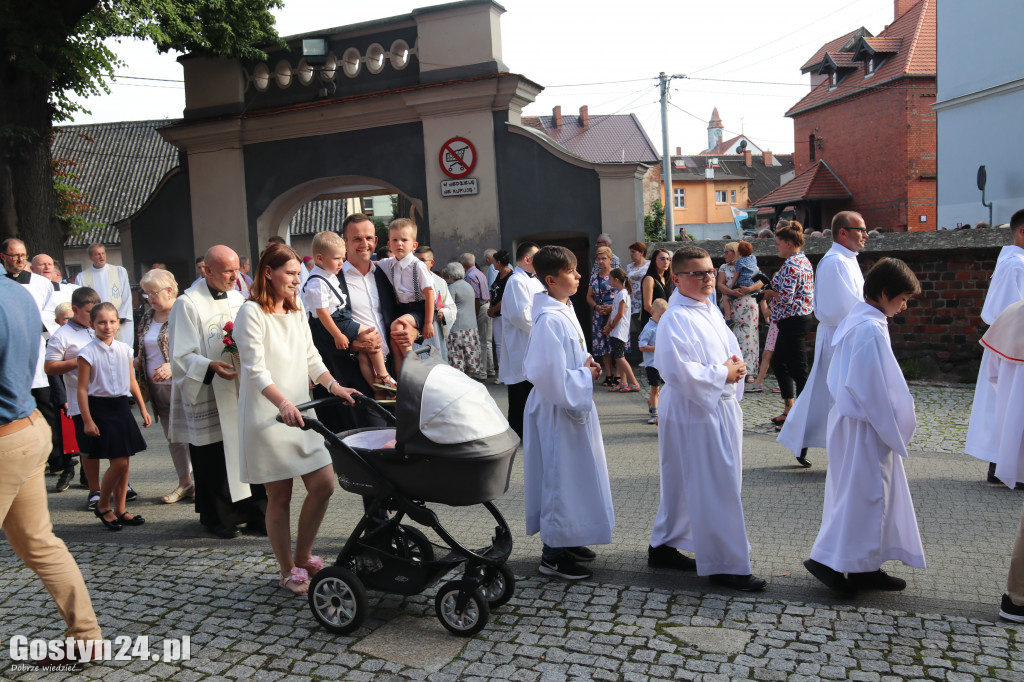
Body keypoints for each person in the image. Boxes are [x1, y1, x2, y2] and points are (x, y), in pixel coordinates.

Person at [235, 242, 359, 595]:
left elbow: (311, 358)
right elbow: (255, 371)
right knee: (281, 496)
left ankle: (303, 555)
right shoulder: (251, 313)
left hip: (301, 413)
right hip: (267, 415)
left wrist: (335, 387)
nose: (296, 280)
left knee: (323, 484)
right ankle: (286, 568)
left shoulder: (296, 309)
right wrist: (282, 403)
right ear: (268, 273)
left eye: (297, 273)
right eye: (289, 274)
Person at [647, 246, 766, 592]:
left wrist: (737, 367)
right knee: (718, 485)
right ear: (677, 278)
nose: (707, 279)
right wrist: (722, 373)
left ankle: (664, 545)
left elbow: (729, 351)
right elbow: (675, 369)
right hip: (694, 411)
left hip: (717, 406)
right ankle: (726, 563)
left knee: (686, 484)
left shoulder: (708, 309)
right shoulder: (675, 317)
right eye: (697, 273)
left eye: (710, 272)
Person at [803, 258, 924, 595]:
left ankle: (864, 565)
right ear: (884, 293)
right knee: (864, 495)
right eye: (902, 300)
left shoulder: (862, 317)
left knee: (870, 494)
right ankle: (827, 561)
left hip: (853, 421)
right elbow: (870, 387)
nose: (903, 307)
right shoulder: (869, 327)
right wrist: (895, 425)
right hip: (865, 424)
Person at [0, 274, 103, 663]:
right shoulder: (17, 293)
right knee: (39, 543)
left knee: (39, 544)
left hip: (6, 437)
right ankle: (86, 638)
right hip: (26, 428)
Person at [523, 245, 614, 580]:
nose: (579, 276)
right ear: (551, 279)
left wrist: (585, 363)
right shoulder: (548, 319)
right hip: (557, 411)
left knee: (577, 475)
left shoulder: (564, 306)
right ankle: (553, 555)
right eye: (572, 272)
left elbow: (572, 352)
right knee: (559, 478)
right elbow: (548, 375)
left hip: (571, 407)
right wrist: (583, 376)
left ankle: (570, 537)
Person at [169, 245, 267, 539]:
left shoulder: (239, 297)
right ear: (207, 270)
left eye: (237, 269)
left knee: (247, 450)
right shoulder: (186, 304)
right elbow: (180, 355)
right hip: (210, 390)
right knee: (214, 457)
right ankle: (218, 518)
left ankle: (256, 514)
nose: (235, 276)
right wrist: (209, 365)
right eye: (227, 270)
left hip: (238, 388)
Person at [778, 212, 867, 467]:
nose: (865, 235)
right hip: (839, 337)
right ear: (843, 232)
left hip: (847, 334)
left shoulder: (848, 259)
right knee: (832, 393)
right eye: (860, 229)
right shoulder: (835, 262)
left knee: (824, 393)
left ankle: (804, 439)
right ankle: (829, 446)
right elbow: (840, 308)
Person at [77, 303, 152, 531]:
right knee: (117, 462)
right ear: (92, 325)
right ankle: (102, 505)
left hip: (121, 407)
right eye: (101, 322)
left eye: (111, 321)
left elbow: (131, 381)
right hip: (100, 408)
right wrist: (87, 420)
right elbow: (81, 389)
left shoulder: (124, 349)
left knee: (125, 462)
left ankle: (120, 509)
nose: (107, 326)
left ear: (118, 323)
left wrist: (143, 407)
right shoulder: (87, 352)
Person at [966, 209, 1024, 482]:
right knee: (1008, 407)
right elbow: (1009, 310)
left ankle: (1002, 465)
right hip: (1012, 345)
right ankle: (1003, 467)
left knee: (1006, 408)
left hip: (1012, 344)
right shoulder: (1016, 265)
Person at [2, 239, 66, 486]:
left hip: (36, 352)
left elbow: (51, 314)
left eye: (22, 255)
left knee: (47, 408)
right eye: (14, 255)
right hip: (8, 355)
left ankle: (57, 459)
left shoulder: (41, 284)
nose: (19, 259)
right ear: (3, 257)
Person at [302, 231, 393, 403]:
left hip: (340, 316)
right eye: (337, 259)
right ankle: (384, 377)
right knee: (373, 337)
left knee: (364, 355)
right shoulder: (317, 282)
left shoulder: (327, 274)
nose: (341, 263)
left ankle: (377, 389)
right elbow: (321, 313)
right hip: (336, 320)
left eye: (342, 258)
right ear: (320, 258)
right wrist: (338, 335)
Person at [136, 268, 193, 504]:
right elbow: (143, 346)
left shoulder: (183, 311)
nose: (149, 297)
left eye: (153, 292)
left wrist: (173, 366)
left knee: (192, 436)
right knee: (173, 438)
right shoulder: (148, 316)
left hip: (182, 384)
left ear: (169, 290)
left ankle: (201, 482)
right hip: (157, 388)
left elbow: (195, 348)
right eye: (145, 293)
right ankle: (185, 483)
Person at [45, 287, 102, 507]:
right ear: (75, 310)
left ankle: (118, 485)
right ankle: (94, 490)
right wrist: (79, 361)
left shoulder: (98, 326)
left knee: (114, 445)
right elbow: (50, 367)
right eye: (89, 312)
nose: (94, 316)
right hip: (82, 400)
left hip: (107, 396)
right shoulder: (61, 335)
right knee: (89, 449)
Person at [762, 222, 814, 432]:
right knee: (779, 361)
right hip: (794, 318)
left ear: (790, 243)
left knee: (798, 370)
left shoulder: (793, 264)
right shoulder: (802, 260)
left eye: (779, 244)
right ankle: (789, 408)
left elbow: (785, 297)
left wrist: (770, 294)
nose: (777, 247)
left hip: (794, 319)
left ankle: (800, 416)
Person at [377, 218, 435, 379]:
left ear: (414, 245)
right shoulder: (389, 264)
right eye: (395, 240)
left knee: (396, 325)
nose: (399, 244)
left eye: (404, 240)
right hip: (402, 308)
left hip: (419, 308)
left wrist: (428, 322)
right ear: (389, 244)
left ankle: (415, 368)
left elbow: (430, 294)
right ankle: (400, 379)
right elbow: (372, 264)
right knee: (395, 343)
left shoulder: (418, 266)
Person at [500, 241, 544, 438]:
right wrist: (543, 328)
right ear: (527, 259)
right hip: (522, 344)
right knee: (521, 392)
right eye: (537, 257)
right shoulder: (516, 281)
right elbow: (521, 316)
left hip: (533, 343)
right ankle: (519, 433)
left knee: (532, 390)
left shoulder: (534, 280)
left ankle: (532, 431)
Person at [74, 244, 133, 347]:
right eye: (97, 254)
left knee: (123, 349)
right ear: (90, 257)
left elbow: (126, 295)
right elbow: (81, 301)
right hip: (98, 322)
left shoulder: (119, 271)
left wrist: (121, 316)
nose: (101, 257)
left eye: (103, 253)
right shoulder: (82, 277)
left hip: (120, 320)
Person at [416, 246, 457, 363]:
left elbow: (451, 308)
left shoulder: (440, 282)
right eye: (415, 261)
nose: (418, 264)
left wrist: (443, 314)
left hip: (435, 331)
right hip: (415, 330)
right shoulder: (409, 279)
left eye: (422, 261)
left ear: (432, 262)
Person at [603, 268, 640, 392]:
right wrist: (608, 326)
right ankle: (624, 383)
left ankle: (634, 383)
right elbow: (613, 312)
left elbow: (620, 314)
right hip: (616, 330)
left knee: (619, 357)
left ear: (616, 279)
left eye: (610, 278)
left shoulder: (623, 293)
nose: (609, 281)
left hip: (619, 330)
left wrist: (611, 326)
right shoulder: (619, 293)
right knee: (620, 356)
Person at [442, 262, 481, 377]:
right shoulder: (468, 286)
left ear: (449, 275)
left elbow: (448, 308)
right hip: (471, 328)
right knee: (471, 358)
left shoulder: (452, 288)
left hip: (457, 329)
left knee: (457, 359)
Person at [588, 246, 618, 386]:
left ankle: (618, 376)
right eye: (598, 259)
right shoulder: (594, 277)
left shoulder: (617, 275)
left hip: (615, 312)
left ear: (610, 259)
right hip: (599, 314)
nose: (600, 261)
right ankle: (609, 375)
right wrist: (596, 306)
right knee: (605, 346)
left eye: (603, 258)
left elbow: (626, 294)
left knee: (616, 344)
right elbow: (588, 296)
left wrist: (613, 307)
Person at [460, 253, 493, 380]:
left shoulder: (470, 275)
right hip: (486, 306)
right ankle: (489, 370)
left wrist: (474, 314)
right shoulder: (479, 273)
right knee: (487, 341)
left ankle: (482, 372)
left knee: (482, 342)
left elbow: (476, 297)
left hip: (481, 308)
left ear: (463, 264)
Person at [638, 298, 668, 425]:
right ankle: (655, 413)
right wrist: (658, 347)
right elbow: (641, 346)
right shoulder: (649, 329)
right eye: (661, 316)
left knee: (665, 387)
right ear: (652, 313)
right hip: (652, 364)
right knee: (655, 388)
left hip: (663, 363)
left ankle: (653, 403)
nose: (663, 319)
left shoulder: (664, 325)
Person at [487, 249, 513, 384]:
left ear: (498, 262)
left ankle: (507, 373)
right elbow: (494, 292)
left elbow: (505, 298)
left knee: (506, 343)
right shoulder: (499, 275)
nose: (492, 265)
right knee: (499, 344)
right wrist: (491, 307)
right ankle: (503, 373)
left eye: (493, 262)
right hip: (497, 314)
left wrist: (493, 309)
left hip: (504, 314)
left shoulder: (510, 276)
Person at [625, 242, 649, 357]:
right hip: (633, 304)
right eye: (631, 252)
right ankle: (644, 357)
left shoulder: (649, 265)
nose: (631, 254)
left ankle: (651, 357)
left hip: (645, 302)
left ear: (641, 253)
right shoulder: (629, 267)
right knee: (640, 332)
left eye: (633, 252)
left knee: (648, 330)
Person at [640, 248, 672, 329]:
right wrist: (662, 318)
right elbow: (647, 306)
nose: (666, 262)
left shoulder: (666, 279)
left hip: (665, 322)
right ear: (654, 261)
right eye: (662, 259)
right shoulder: (649, 279)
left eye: (668, 259)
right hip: (652, 325)